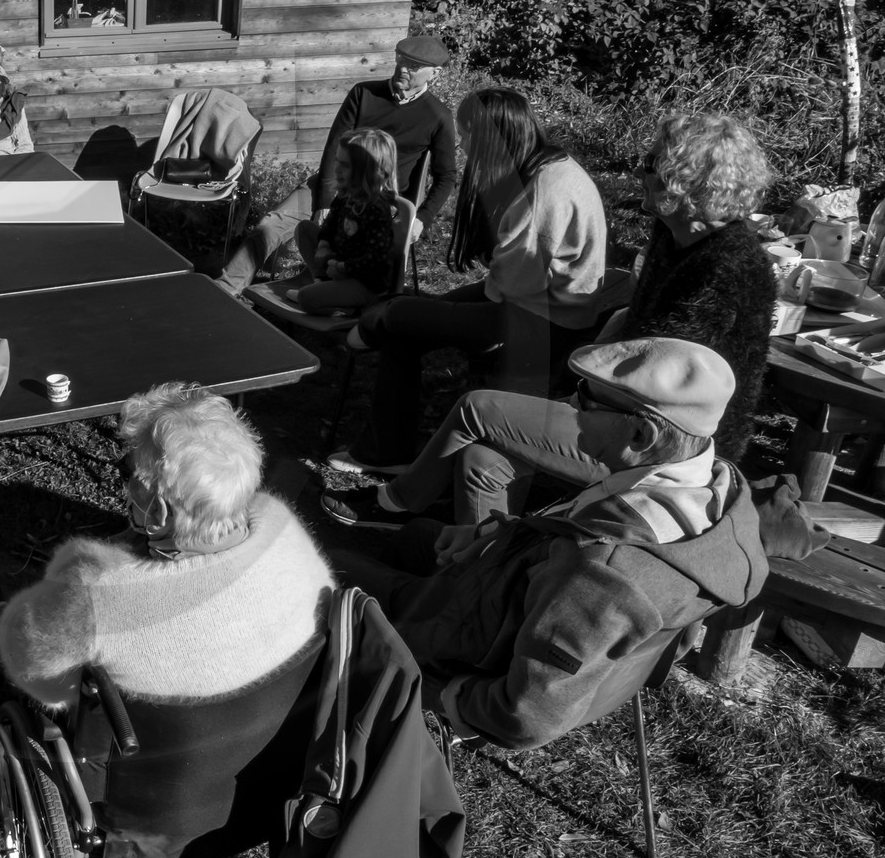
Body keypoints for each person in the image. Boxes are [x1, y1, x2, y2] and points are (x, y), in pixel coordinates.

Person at [329, 112, 776, 526]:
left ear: (686, 181)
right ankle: (478, 561)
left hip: (666, 444)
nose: (639, 173)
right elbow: (639, 329)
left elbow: (664, 384)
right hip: (622, 407)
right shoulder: (673, 235)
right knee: (483, 461)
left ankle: (395, 504)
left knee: (477, 407)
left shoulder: (727, 268)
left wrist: (577, 391)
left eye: (650, 164)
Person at [330, 339, 768, 750]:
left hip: (464, 645)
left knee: (328, 567)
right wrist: (492, 535)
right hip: (507, 603)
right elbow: (570, 534)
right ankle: (377, 636)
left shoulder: (603, 572)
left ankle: (367, 667)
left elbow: (526, 717)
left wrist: (441, 694)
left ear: (641, 435)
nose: (571, 405)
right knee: (416, 535)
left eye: (587, 399)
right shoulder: (713, 488)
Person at [0, 384, 333, 858]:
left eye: (128, 471)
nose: (124, 479)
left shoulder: (97, 595)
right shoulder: (286, 530)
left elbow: (37, 675)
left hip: (144, 827)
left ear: (155, 511)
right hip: (271, 791)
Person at [333, 87, 608, 470]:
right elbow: (512, 279)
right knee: (403, 331)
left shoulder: (545, 191)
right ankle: (386, 454)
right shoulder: (544, 166)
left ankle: (375, 321)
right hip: (527, 302)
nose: (461, 145)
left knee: (397, 315)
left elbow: (514, 285)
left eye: (466, 135)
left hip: (544, 322)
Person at [218, 34, 457, 296]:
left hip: (378, 199)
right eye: (401, 59)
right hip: (334, 182)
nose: (403, 68)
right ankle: (225, 289)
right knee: (270, 226)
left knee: (350, 247)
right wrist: (324, 201)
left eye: (414, 66)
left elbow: (446, 176)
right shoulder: (364, 93)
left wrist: (422, 218)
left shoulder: (438, 116)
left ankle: (327, 290)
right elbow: (333, 149)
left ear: (435, 73)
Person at [281, 128, 403, 316]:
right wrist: (324, 245)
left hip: (364, 283)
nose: (336, 168)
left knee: (306, 298)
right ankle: (321, 282)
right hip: (338, 264)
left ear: (366, 171)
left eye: (345, 165)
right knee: (304, 229)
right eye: (337, 160)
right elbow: (329, 225)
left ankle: (349, 309)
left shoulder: (376, 209)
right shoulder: (346, 195)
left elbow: (376, 259)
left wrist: (342, 268)